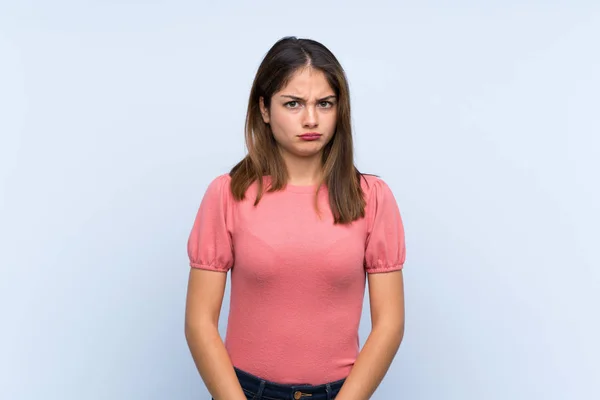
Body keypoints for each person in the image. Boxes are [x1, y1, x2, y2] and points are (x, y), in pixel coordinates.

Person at [184, 36, 406, 400]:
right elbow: (199, 322)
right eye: (293, 104)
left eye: (325, 103)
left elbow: (389, 324)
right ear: (265, 109)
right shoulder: (227, 194)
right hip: (243, 392)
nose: (311, 119)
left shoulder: (371, 198)